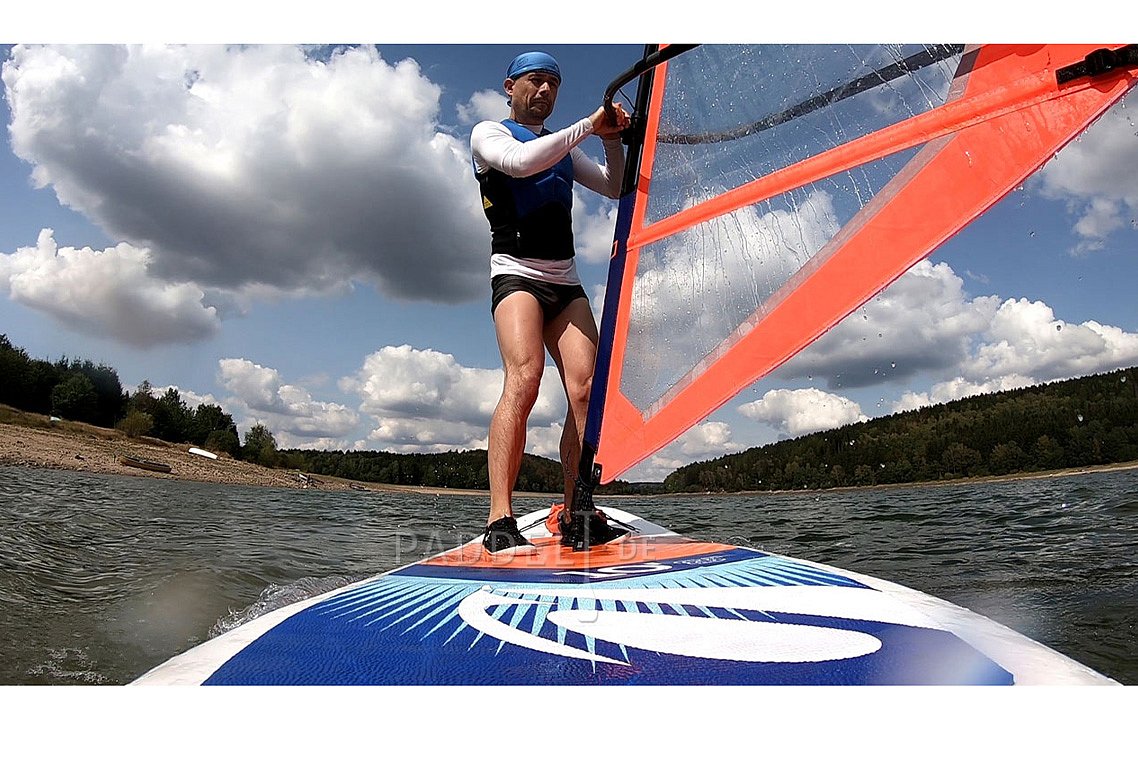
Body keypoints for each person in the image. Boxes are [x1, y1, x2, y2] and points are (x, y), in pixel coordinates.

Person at [471, 51, 630, 553]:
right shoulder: (488, 133)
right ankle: (501, 517)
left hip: (565, 280)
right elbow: (520, 165)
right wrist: (591, 125)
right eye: (535, 82)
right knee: (525, 377)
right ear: (510, 85)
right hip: (516, 273)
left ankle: (576, 508)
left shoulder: (564, 147)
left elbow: (614, 186)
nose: (545, 92)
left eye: (553, 85)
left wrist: (610, 141)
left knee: (586, 390)